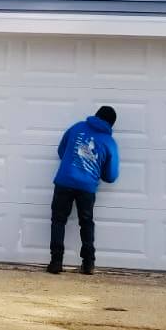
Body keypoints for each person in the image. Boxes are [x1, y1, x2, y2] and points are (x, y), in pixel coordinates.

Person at [48, 106, 119, 275]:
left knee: (58, 220)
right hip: (87, 188)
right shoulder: (109, 143)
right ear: (111, 124)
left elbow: (61, 151)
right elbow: (111, 176)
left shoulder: (77, 127)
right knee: (86, 222)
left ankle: (56, 262)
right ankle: (88, 264)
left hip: (64, 181)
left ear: (95, 116)